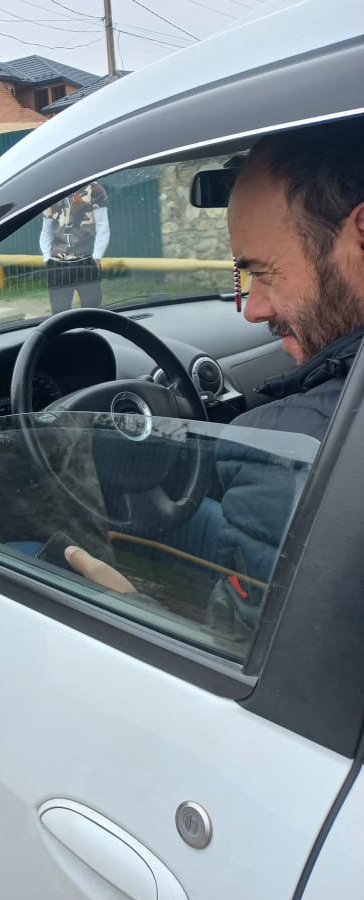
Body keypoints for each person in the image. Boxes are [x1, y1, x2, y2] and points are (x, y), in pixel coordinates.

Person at [65, 118, 364, 623]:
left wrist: (130, 612)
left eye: (263, 272)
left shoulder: (286, 460)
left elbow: (232, 653)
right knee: (182, 522)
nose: (253, 310)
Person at [40, 181, 110, 313]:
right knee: (59, 312)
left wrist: (97, 257)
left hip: (86, 259)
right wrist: (47, 258)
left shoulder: (94, 189)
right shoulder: (52, 191)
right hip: (57, 263)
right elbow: (46, 230)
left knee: (92, 309)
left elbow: (103, 226)